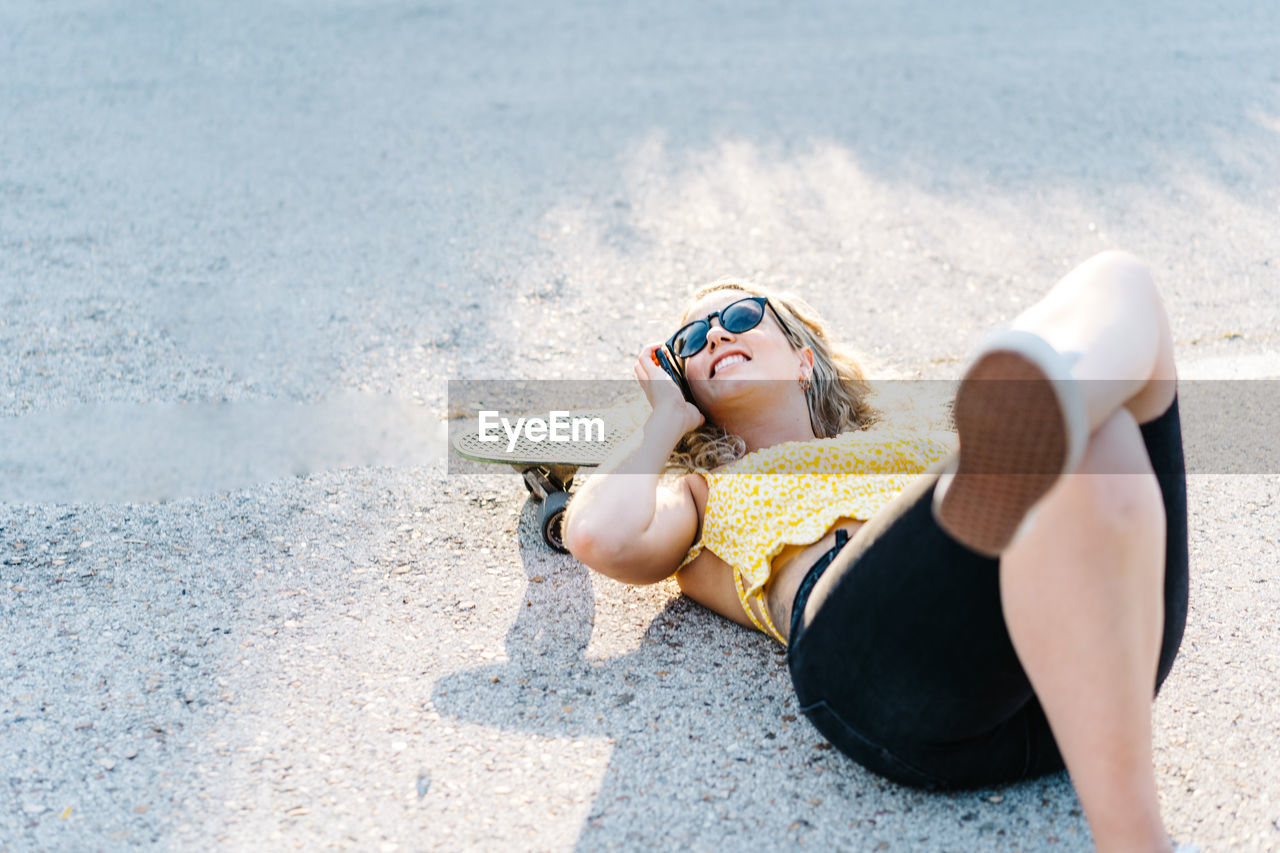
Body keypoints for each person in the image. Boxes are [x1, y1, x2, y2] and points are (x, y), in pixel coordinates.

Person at [562, 251, 1190, 853]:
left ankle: (1053, 423)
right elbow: (598, 534)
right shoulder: (704, 493)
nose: (716, 337)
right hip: (901, 681)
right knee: (1048, 452)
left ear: (803, 359)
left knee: (1122, 285)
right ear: (689, 389)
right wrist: (663, 423)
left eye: (741, 317)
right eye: (691, 343)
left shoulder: (911, 438)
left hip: (1095, 673)